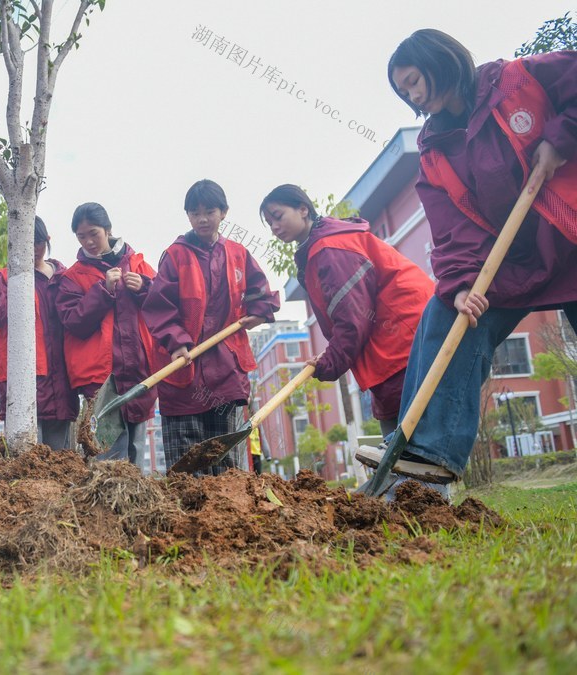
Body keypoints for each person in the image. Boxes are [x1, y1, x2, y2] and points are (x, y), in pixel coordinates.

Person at [357, 29, 577, 491]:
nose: (413, 96)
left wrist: (560, 136)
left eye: (415, 81)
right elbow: (452, 230)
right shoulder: (435, 152)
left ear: (442, 61)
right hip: (512, 261)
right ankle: (429, 453)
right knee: (445, 313)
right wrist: (460, 285)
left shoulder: (518, 81)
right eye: (403, 91)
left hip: (569, 237)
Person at [260, 184, 433, 437]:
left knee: (408, 432)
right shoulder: (321, 247)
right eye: (269, 222)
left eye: (278, 216)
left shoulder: (330, 248)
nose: (274, 227)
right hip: (396, 340)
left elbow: (353, 319)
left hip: (404, 338)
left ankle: (412, 476)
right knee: (394, 424)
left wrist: (330, 362)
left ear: (303, 209)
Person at [143, 179, 280, 475]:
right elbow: (158, 307)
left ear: (224, 212)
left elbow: (261, 294)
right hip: (183, 370)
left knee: (226, 461)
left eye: (209, 211)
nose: (202, 219)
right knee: (186, 465)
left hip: (226, 370)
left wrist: (259, 312)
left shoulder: (237, 254)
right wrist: (176, 341)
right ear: (188, 216)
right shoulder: (175, 256)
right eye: (195, 213)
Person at [56, 203, 157, 466]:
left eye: (94, 233)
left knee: (136, 447)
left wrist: (146, 286)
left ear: (108, 229)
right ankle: (104, 505)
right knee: (106, 451)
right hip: (99, 377)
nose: (89, 241)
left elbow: (164, 303)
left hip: (138, 370)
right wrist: (103, 291)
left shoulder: (138, 264)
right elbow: (73, 321)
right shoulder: (73, 277)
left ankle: (138, 504)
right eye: (81, 236)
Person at [0, 217, 78, 449]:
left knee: (60, 458)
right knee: (27, 457)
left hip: (61, 378)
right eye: (27, 243)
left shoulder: (65, 278)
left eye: (38, 243)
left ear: (47, 241)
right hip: (25, 378)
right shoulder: (5, 279)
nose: (33, 250)